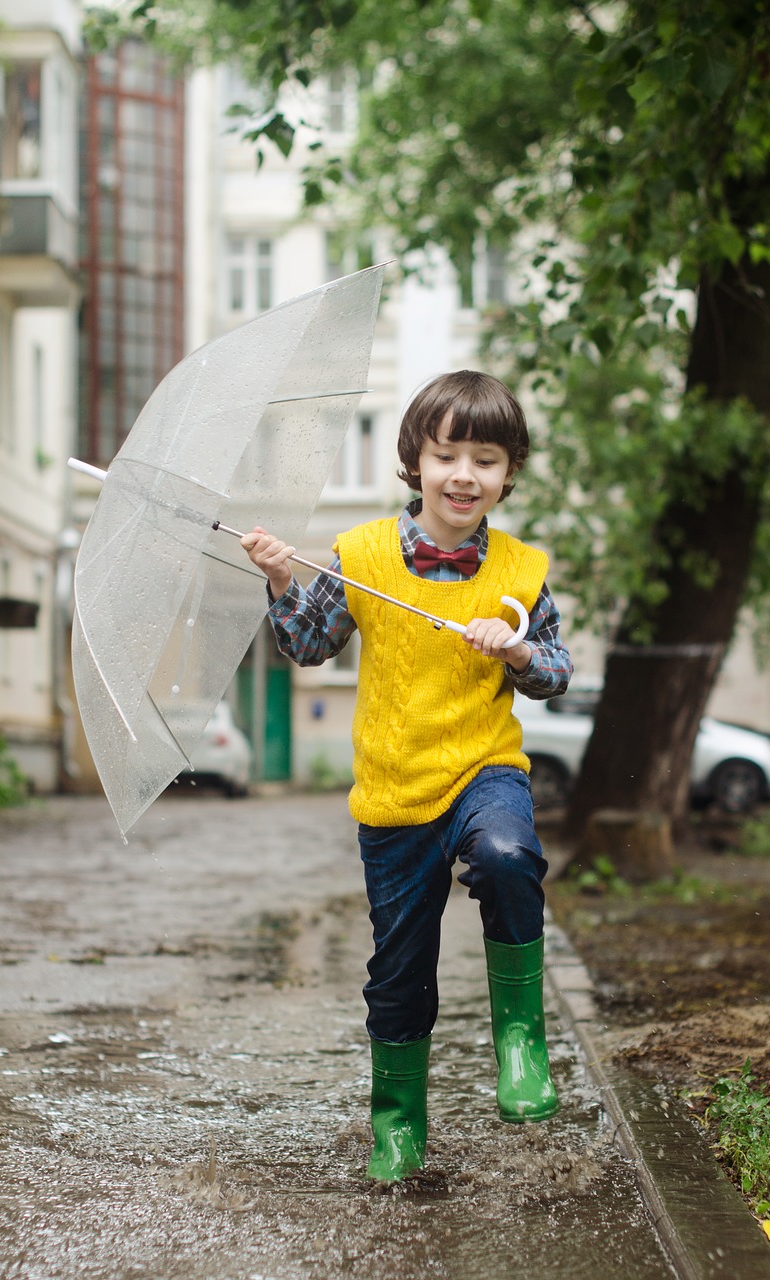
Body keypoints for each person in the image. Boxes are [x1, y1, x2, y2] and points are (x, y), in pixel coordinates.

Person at [241, 369, 572, 1183]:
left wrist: (519, 647)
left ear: (508, 472)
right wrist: (284, 576)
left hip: (483, 769)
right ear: (415, 462)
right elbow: (309, 645)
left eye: (487, 460)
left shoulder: (522, 574)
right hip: (393, 792)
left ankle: (522, 1043)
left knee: (505, 854)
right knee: (398, 968)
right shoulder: (362, 556)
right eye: (448, 454)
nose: (466, 475)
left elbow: (557, 671)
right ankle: (397, 1120)